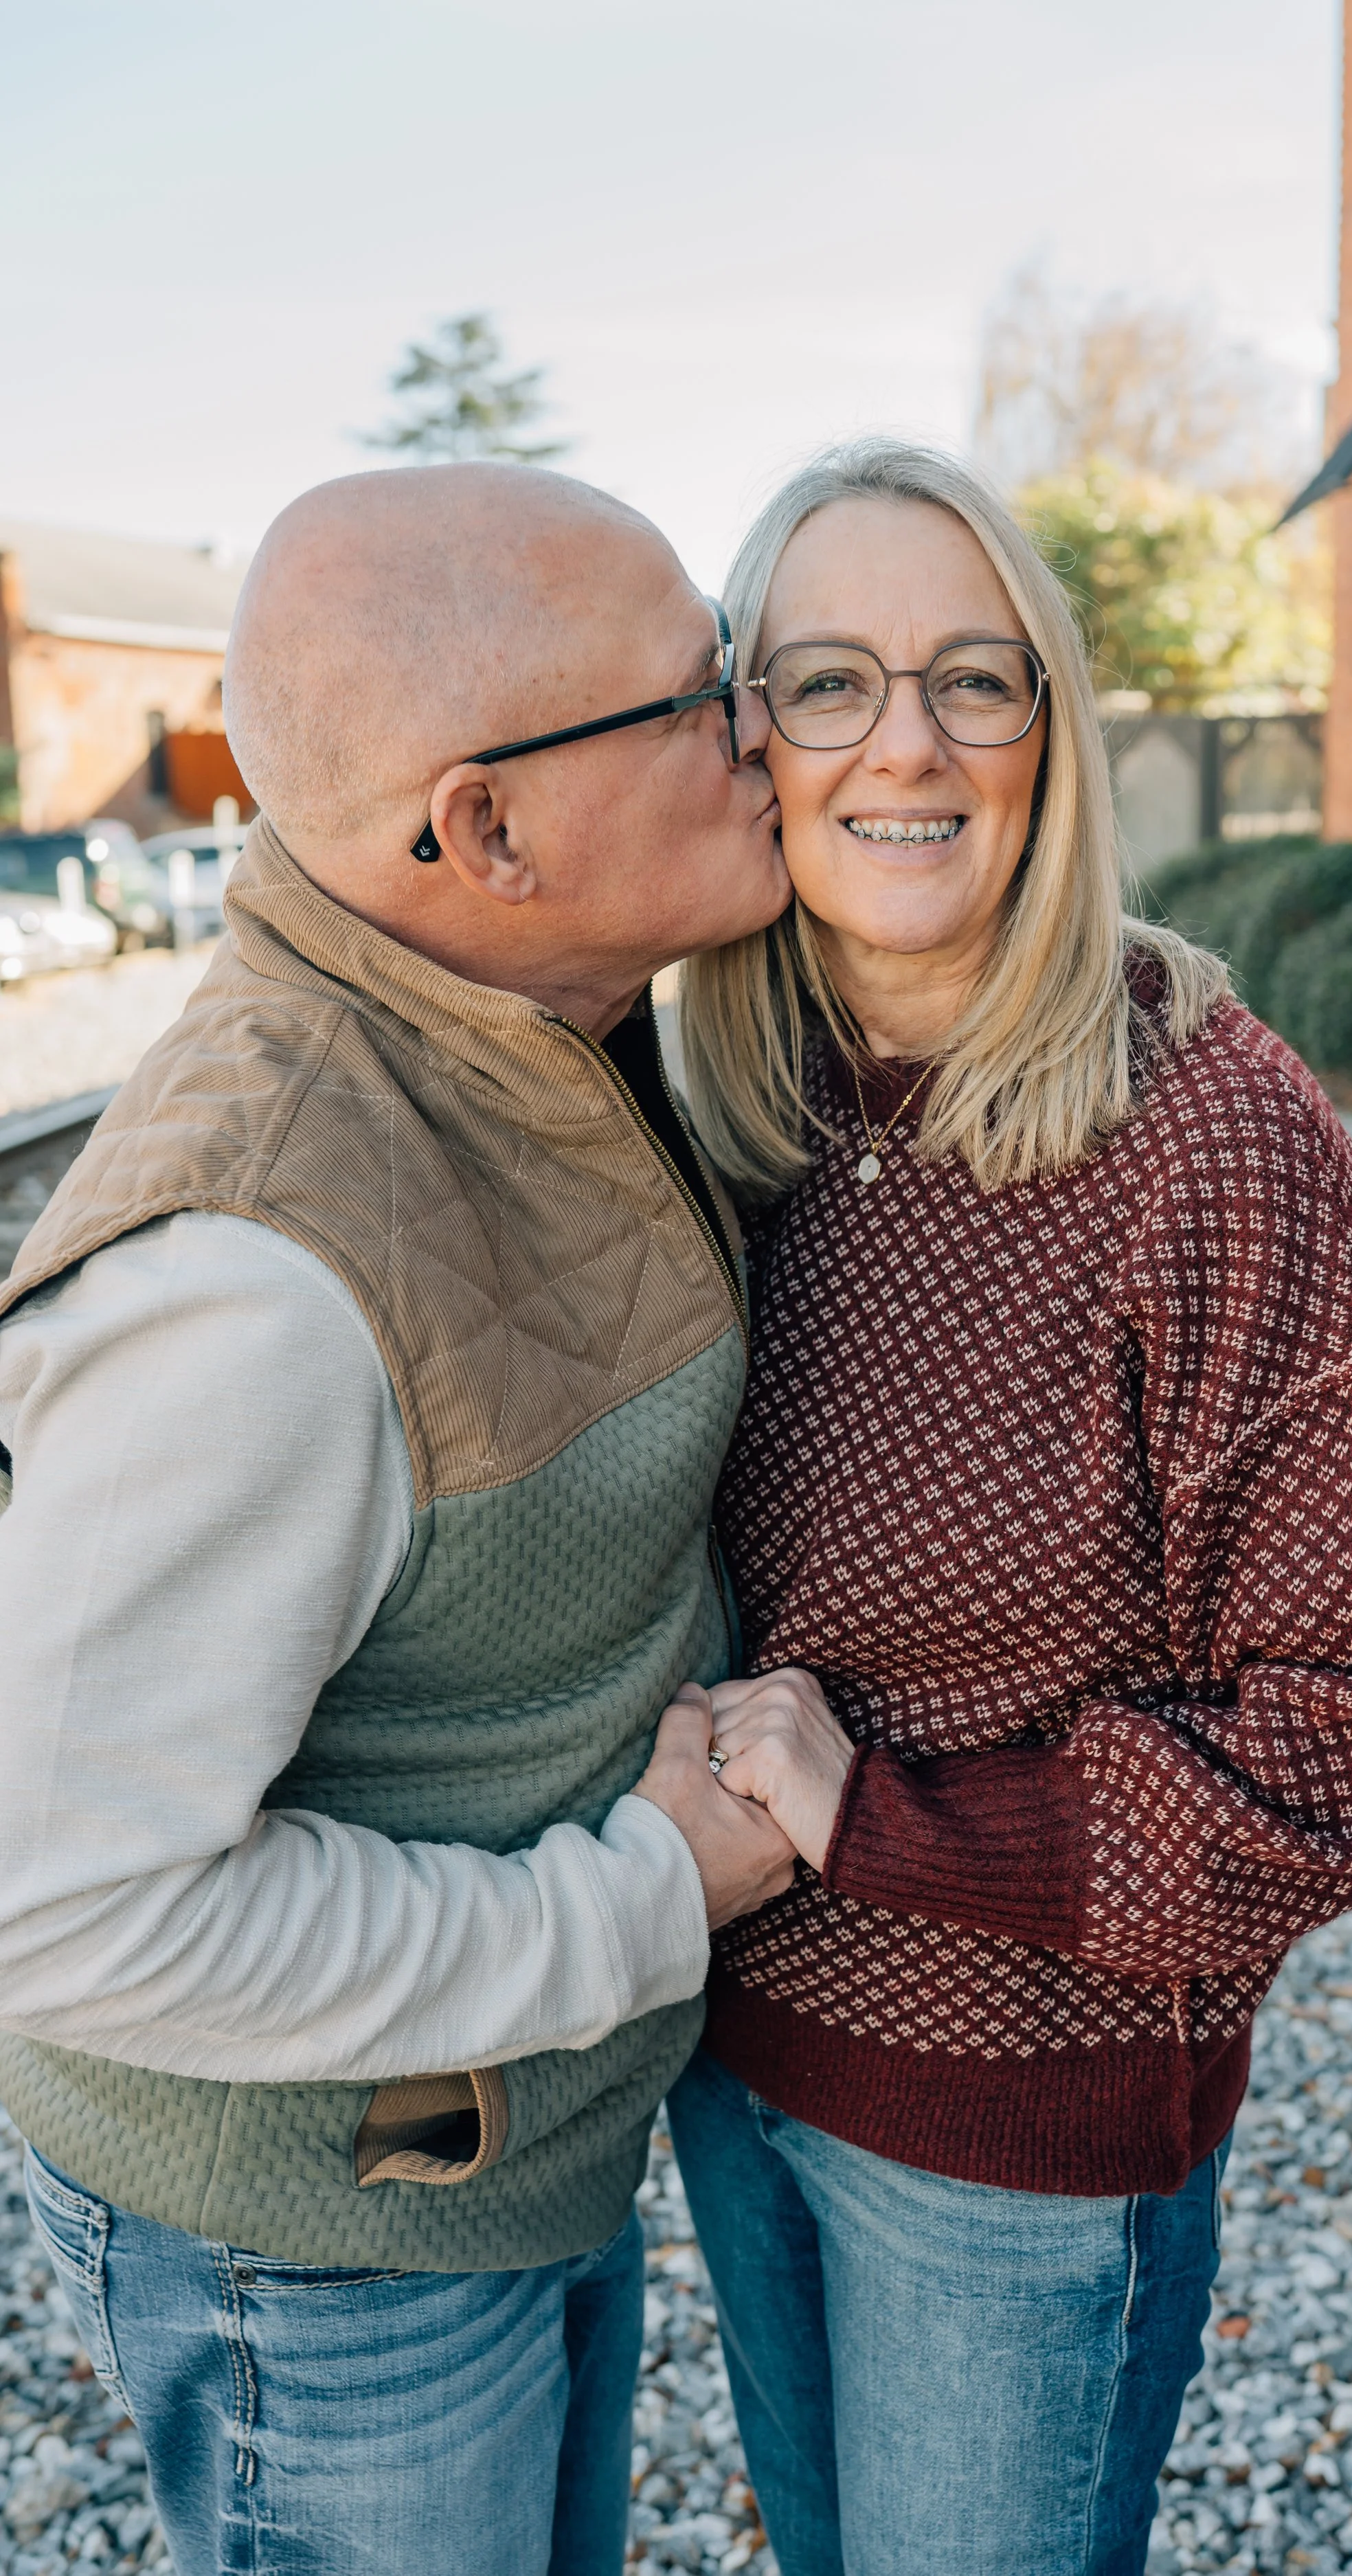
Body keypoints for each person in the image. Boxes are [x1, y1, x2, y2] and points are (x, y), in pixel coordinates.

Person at [667, 437, 1352, 2576]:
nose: (907, 744)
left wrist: (901, 1821)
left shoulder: (1208, 1146)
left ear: (1051, 727)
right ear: (742, 728)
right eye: (829, 680)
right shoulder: (719, 1109)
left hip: (1013, 2144)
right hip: (718, 2058)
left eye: (976, 677)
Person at [0, 462, 799, 2576]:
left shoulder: (538, 1024)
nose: (762, 723)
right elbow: (68, 1905)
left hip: (491, 2133)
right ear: (487, 829)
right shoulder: (249, 1278)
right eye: (697, 691)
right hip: (324, 2240)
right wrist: (641, 1904)